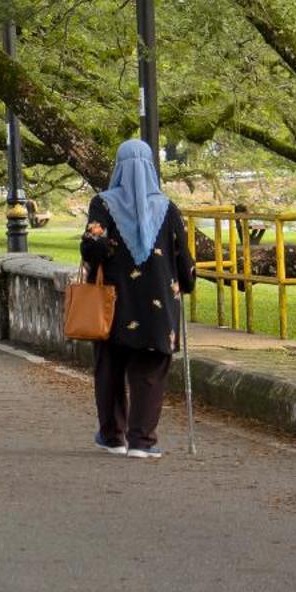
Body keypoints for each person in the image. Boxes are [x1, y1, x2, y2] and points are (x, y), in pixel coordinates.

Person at [81, 138, 196, 460]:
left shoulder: (102, 204)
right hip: (157, 305)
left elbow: (92, 248)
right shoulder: (167, 207)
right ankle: (142, 441)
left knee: (110, 368)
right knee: (149, 370)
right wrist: (186, 283)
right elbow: (184, 260)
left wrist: (106, 246)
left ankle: (112, 436)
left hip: (112, 304)